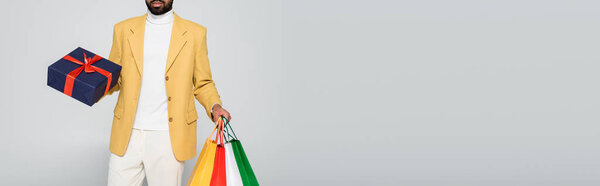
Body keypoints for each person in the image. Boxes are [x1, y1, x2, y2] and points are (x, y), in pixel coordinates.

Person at [104, 0, 231, 185]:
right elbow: (114, 78)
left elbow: (203, 82)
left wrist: (215, 106)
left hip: (169, 137)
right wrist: (87, 82)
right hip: (127, 133)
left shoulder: (195, 33)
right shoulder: (123, 29)